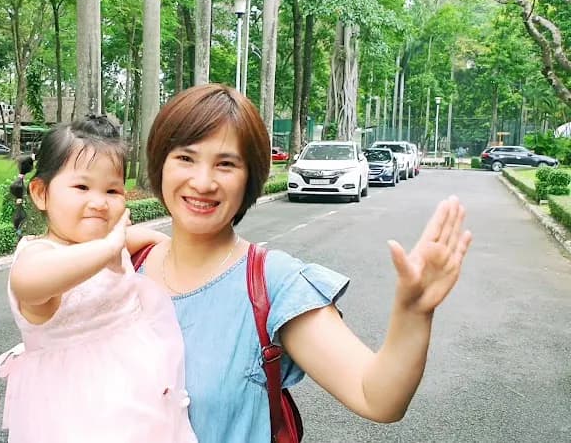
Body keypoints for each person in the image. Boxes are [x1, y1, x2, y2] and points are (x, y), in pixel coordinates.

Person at [134, 84, 473, 442]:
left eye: (226, 164)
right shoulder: (123, 267)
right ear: (160, 164)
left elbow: (376, 397)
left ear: (250, 178)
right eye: (186, 158)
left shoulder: (272, 284)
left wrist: (413, 314)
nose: (203, 182)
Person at [0, 116, 197, 443]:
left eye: (112, 190)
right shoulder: (39, 255)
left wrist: (163, 244)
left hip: (142, 403)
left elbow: (138, 239)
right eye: (82, 187)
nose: (99, 202)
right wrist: (109, 247)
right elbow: (28, 282)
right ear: (40, 193)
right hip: (75, 416)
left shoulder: (106, 244)